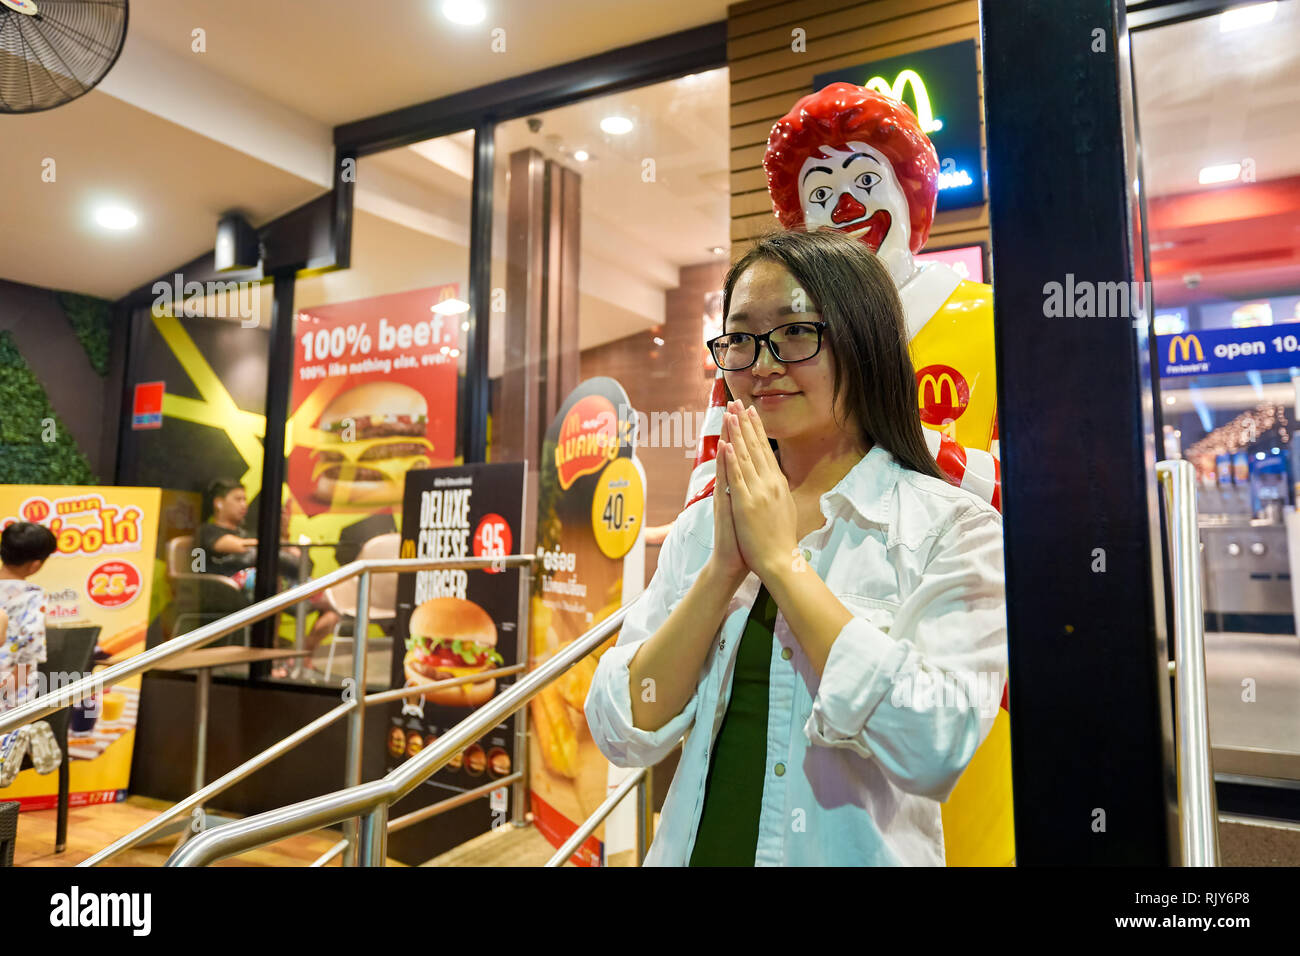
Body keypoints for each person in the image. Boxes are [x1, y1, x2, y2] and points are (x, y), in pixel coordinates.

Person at [584, 228, 1008, 866]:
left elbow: (935, 742)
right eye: (742, 339)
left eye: (794, 332)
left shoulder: (952, 526)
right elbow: (621, 724)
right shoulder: (708, 526)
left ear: (864, 343)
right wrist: (722, 572)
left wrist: (783, 566)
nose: (762, 364)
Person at [0, 521, 62, 787]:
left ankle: (13, 739)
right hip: (12, 683)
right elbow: (29, 650)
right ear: (35, 565)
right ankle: (17, 735)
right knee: (10, 713)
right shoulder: (32, 597)